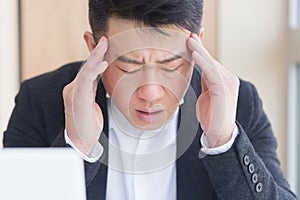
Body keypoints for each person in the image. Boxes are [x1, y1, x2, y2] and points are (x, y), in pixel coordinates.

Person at [3, 0, 297, 199]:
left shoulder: (238, 102)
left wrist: (223, 142)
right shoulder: (39, 101)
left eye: (170, 65)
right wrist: (76, 149)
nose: (150, 92)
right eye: (128, 65)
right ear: (94, 47)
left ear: (197, 45)